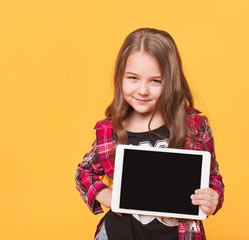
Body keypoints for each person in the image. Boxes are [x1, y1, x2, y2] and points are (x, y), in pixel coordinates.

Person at [75, 27, 224, 240]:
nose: (143, 90)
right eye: (133, 78)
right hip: (119, 234)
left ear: (171, 81)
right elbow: (84, 173)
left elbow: (213, 178)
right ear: (120, 77)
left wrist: (213, 198)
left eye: (156, 81)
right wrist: (107, 195)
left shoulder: (193, 127)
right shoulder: (110, 131)